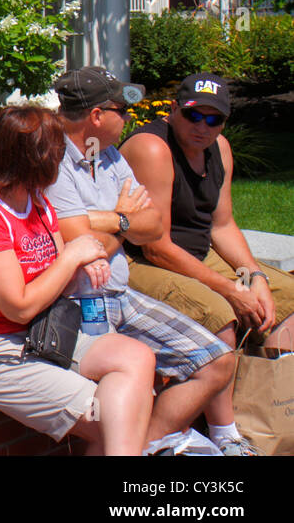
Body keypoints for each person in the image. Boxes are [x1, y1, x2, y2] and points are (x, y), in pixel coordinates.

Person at [0, 105, 156, 456]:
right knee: (113, 420)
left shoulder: (36, 201)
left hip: (41, 330)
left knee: (137, 357)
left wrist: (84, 264)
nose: (65, 158)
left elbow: (57, 274)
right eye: (57, 150)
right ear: (36, 157)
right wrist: (72, 256)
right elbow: (19, 306)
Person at [46, 67, 234, 455]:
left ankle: (149, 443)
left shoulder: (111, 155)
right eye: (123, 110)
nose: (130, 118)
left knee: (217, 361)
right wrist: (121, 220)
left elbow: (151, 225)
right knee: (109, 405)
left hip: (120, 291)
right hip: (79, 303)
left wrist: (108, 219)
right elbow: (76, 243)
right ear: (97, 116)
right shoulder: (50, 162)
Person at [122, 72, 294, 455]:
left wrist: (257, 276)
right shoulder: (153, 148)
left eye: (214, 119)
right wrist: (231, 289)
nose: (203, 126)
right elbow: (155, 247)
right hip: (140, 261)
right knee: (219, 315)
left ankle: (274, 415)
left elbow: (223, 225)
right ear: (173, 112)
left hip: (195, 253)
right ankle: (226, 435)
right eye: (193, 115)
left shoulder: (221, 149)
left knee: (287, 300)